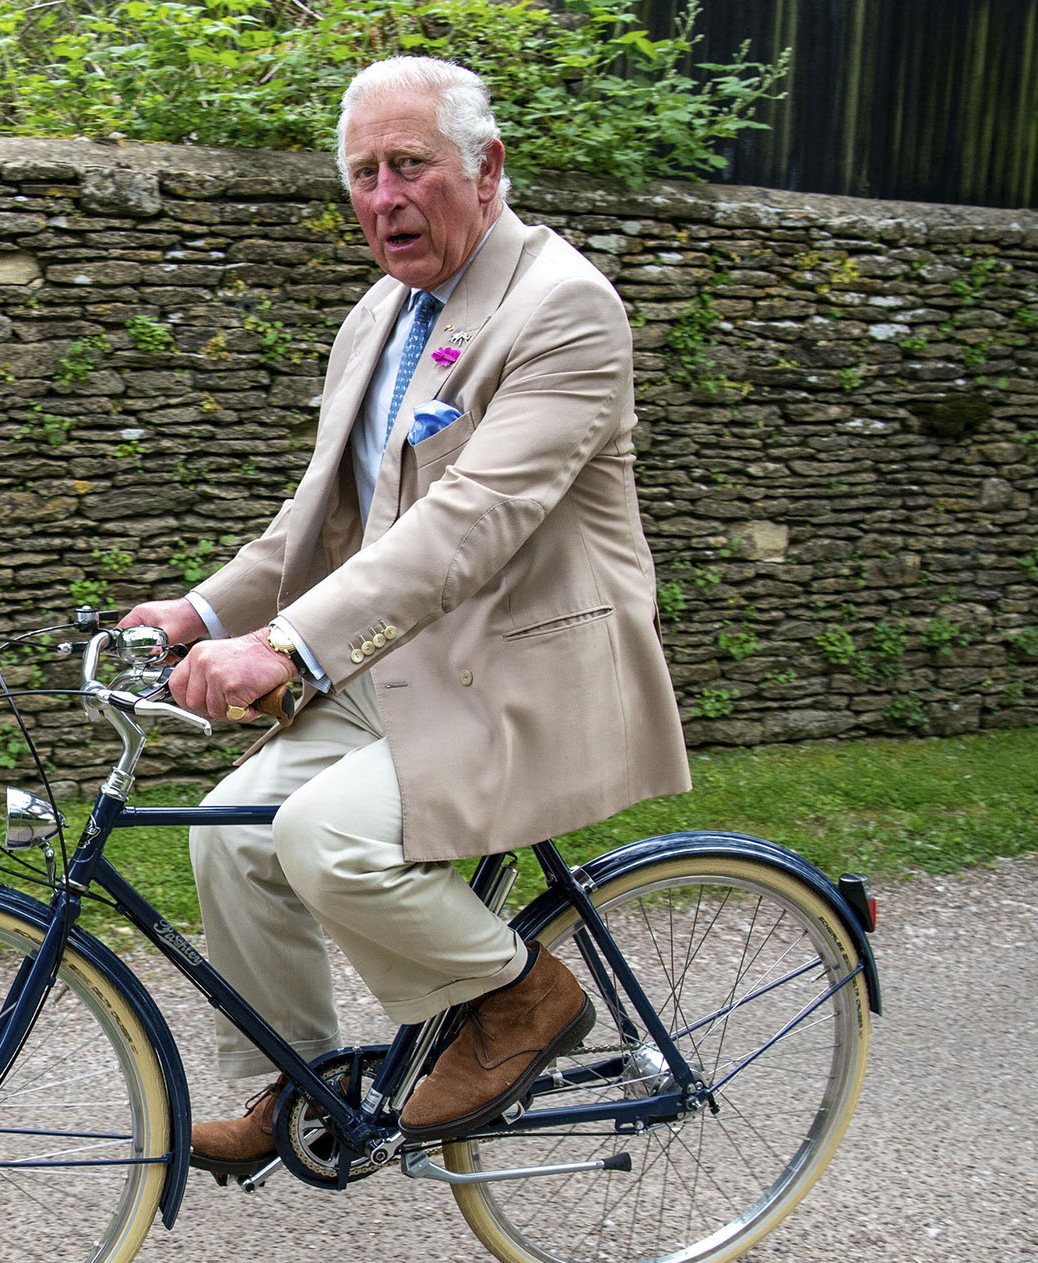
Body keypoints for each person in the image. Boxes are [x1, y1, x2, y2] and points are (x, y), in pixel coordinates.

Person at [122, 55, 691, 1171]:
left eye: (411, 166)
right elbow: (317, 525)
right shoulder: (383, 315)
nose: (384, 198)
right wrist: (196, 611)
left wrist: (284, 645)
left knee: (322, 839)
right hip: (399, 670)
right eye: (364, 173)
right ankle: (295, 1088)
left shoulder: (563, 307)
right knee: (231, 836)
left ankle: (525, 1000)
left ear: (487, 170)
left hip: (518, 675)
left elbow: (469, 523)